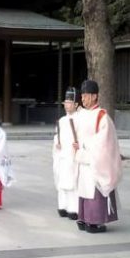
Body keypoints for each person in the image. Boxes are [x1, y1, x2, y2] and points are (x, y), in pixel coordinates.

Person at [73, 80, 122, 233]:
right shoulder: (81, 115)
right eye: (82, 96)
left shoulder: (102, 116)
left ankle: (94, 221)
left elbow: (105, 142)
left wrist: (84, 146)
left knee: (94, 188)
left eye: (86, 95)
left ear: (95, 96)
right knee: (84, 189)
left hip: (94, 160)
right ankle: (84, 218)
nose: (83, 99)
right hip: (83, 158)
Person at [53, 87, 81, 220]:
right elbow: (56, 136)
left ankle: (74, 208)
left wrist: (79, 145)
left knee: (73, 182)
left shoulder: (80, 119)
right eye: (65, 102)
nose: (66, 105)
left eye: (69, 102)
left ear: (76, 104)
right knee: (62, 180)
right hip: (62, 155)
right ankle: (62, 206)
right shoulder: (62, 120)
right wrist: (56, 143)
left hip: (73, 155)